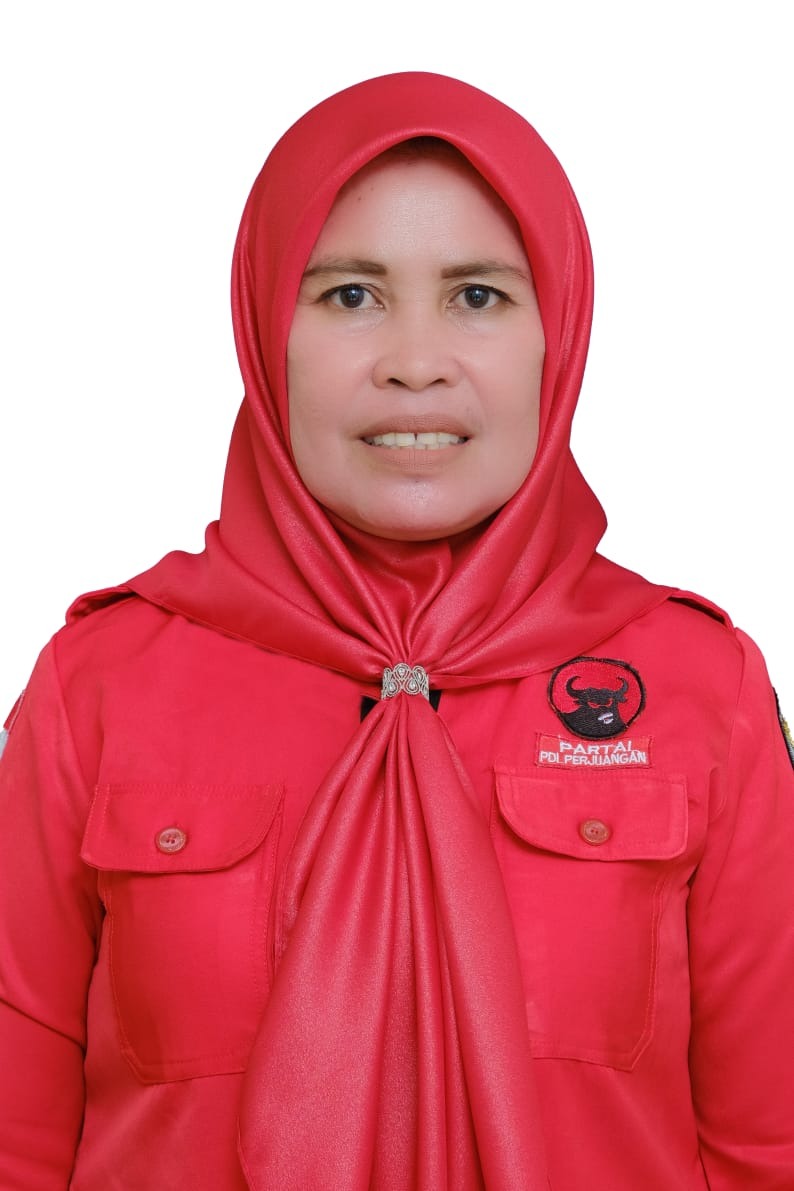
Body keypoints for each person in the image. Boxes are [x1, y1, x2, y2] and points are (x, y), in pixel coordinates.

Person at [1, 71, 792, 1191]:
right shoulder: (96, 686)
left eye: (477, 295)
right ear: (264, 331)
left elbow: (770, 1148)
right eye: (349, 294)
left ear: (556, 337)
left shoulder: (701, 687)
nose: (414, 360)